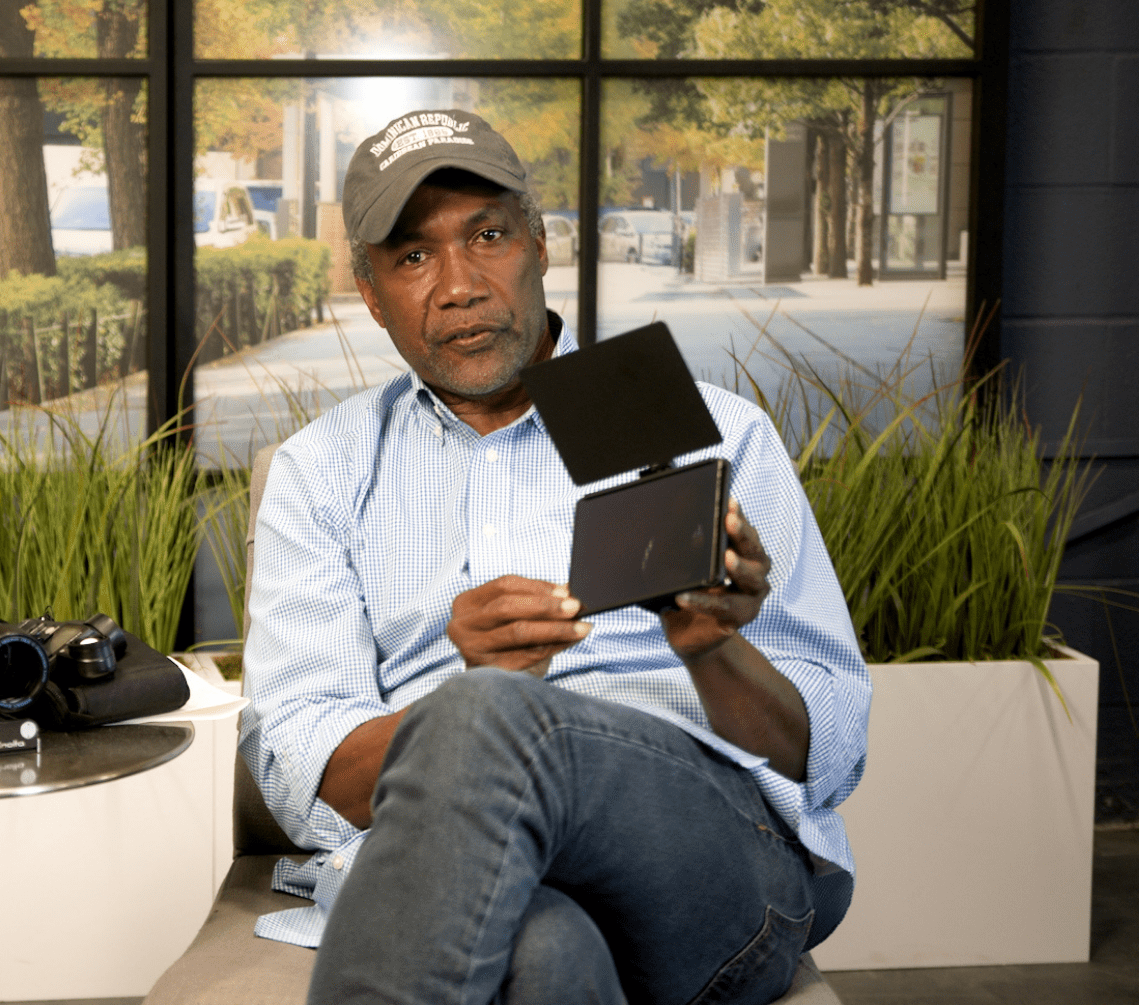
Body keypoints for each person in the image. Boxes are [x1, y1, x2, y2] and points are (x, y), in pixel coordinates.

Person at [238, 109, 871, 1005]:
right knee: (542, 951)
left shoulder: (718, 434)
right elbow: (302, 771)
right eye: (413, 257)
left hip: (712, 870)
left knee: (480, 715)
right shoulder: (322, 473)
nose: (458, 285)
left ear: (539, 246)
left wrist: (712, 647)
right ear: (369, 293)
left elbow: (831, 751)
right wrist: (476, 697)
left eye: (487, 236)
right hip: (465, 881)